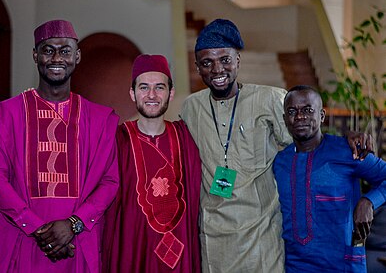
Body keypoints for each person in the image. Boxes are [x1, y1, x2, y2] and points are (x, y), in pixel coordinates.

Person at [179, 18, 373, 273]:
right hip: (214, 240)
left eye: (225, 59)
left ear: (238, 60)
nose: (217, 70)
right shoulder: (191, 107)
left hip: (262, 239)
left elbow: (310, 143)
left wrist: (345, 139)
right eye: (207, 63)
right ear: (197, 67)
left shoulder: (269, 100)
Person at [0, 19, 119, 272]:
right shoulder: (7, 115)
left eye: (65, 51)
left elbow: (110, 182)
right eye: (48, 50)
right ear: (36, 56)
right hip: (20, 240)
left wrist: (74, 224)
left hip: (77, 242)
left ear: (77, 57)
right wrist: (36, 228)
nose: (57, 57)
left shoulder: (99, 120)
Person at [102, 54, 202, 272]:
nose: (152, 95)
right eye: (144, 87)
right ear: (132, 93)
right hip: (134, 253)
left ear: (171, 93)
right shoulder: (118, 140)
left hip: (181, 254)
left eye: (160, 87)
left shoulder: (185, 137)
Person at [273, 85, 386, 272]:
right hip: (294, 265)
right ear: (285, 119)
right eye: (292, 111)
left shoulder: (348, 151)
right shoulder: (280, 162)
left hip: (343, 264)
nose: (300, 116)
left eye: (308, 110)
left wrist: (368, 201)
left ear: (322, 116)